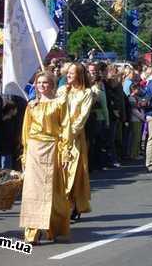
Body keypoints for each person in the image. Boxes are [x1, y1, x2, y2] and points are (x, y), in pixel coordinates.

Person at [20, 71, 73, 244]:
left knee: (52, 190)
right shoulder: (31, 105)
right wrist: (25, 154)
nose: (42, 86)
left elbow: (66, 128)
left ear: (52, 84)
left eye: (46, 83)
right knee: (32, 191)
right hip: (35, 149)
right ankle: (32, 231)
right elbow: (26, 133)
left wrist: (65, 151)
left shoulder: (60, 103)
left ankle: (53, 226)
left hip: (52, 148)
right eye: (39, 83)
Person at [60, 62, 93, 221]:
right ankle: (62, 205)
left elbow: (82, 118)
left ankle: (73, 205)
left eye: (72, 73)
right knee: (61, 173)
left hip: (75, 139)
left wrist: (70, 133)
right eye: (68, 73)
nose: (69, 76)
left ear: (79, 75)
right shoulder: (61, 91)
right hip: (59, 138)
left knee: (73, 172)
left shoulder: (86, 93)